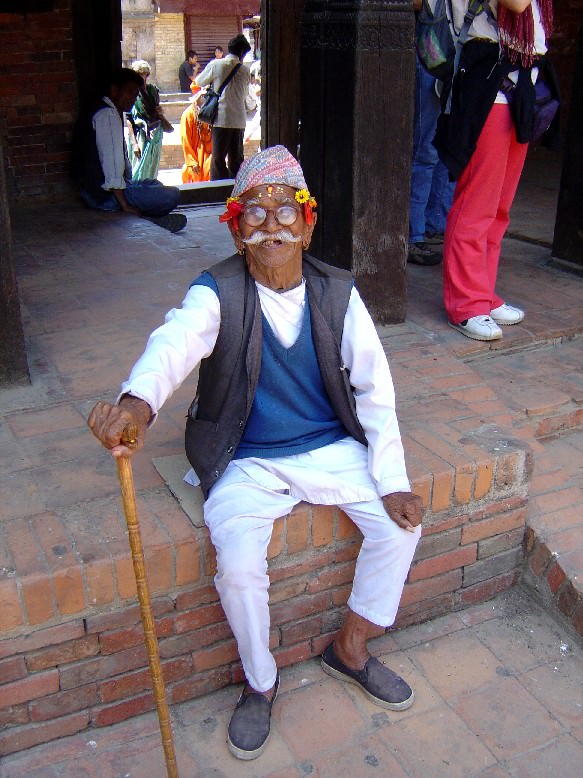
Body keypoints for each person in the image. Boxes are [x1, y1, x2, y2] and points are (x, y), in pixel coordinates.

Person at [88, 145, 423, 761]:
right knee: (239, 566)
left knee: (400, 529)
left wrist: (393, 479)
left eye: (286, 211)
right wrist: (135, 405)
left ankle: (350, 648)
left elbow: (376, 391)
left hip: (328, 447)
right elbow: (173, 344)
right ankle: (260, 681)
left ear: (308, 224)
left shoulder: (338, 293)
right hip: (244, 456)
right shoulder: (217, 291)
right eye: (255, 214)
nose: (273, 226)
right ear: (236, 230)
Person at [435, 0, 559, 340]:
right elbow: (517, 4)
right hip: (490, 86)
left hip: (520, 82)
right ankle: (466, 304)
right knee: (477, 204)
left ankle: (483, 293)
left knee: (499, 207)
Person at [72, 67, 186, 233]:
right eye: (129, 92)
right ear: (114, 90)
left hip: (103, 191)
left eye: (135, 95)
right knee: (172, 195)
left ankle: (146, 216)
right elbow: (112, 164)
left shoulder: (106, 110)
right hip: (104, 197)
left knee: (153, 184)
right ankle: (144, 218)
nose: (132, 99)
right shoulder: (107, 115)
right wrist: (125, 205)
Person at [408, 41, 455, 266]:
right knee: (425, 152)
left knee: (446, 149)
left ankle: (433, 226)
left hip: (454, 53)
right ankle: (414, 236)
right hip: (433, 50)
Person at [195, 33, 251, 180]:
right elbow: (245, 94)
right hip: (239, 120)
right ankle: (236, 188)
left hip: (222, 119)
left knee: (218, 159)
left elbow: (199, 81)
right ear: (242, 53)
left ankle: (219, 188)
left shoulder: (216, 65)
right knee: (236, 160)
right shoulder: (245, 70)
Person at [126, 60, 173, 182]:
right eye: (140, 74)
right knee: (138, 170)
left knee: (152, 168)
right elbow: (129, 119)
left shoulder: (152, 90)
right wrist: (134, 144)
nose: (143, 77)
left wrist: (159, 111)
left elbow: (157, 110)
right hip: (140, 134)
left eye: (145, 74)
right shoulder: (131, 93)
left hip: (155, 133)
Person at [179, 95, 212, 183]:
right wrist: (192, 162)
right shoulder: (188, 114)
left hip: (209, 157)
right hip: (194, 159)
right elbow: (185, 140)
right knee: (188, 173)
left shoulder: (211, 112)